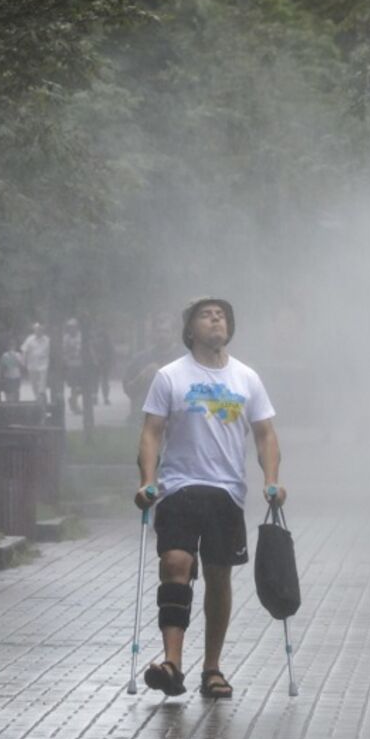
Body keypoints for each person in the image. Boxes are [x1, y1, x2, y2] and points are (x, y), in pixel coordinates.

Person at [134, 297, 285, 700]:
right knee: (175, 562)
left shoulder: (246, 378)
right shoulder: (170, 377)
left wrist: (271, 480)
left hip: (226, 492)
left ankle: (212, 668)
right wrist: (147, 480)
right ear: (190, 329)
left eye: (222, 315)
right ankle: (172, 663)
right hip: (179, 487)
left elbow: (265, 434)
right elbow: (151, 432)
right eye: (207, 314)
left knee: (219, 576)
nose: (216, 319)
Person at [20, 322, 50, 402]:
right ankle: (38, 398)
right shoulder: (29, 339)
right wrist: (23, 361)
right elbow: (24, 350)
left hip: (43, 364)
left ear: (42, 330)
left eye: (40, 329)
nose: (38, 331)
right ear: (34, 330)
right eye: (36, 329)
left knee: (42, 380)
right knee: (33, 383)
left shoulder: (47, 340)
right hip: (32, 365)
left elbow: (51, 351)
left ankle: (41, 394)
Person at [62, 318, 85, 413]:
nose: (72, 329)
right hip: (71, 364)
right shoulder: (66, 338)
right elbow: (64, 351)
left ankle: (72, 399)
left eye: (74, 327)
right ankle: (75, 406)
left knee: (84, 386)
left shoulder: (81, 336)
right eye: (70, 327)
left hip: (81, 363)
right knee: (74, 386)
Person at [0, 339, 25, 403]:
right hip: (7, 376)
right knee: (8, 392)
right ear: (7, 347)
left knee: (16, 391)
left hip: (16, 376)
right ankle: (8, 404)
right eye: (10, 346)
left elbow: (21, 365)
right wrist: (1, 376)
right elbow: (2, 366)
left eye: (12, 346)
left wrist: (16, 358)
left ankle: (16, 404)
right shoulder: (5, 355)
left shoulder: (18, 355)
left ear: (15, 347)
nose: (11, 347)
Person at [93, 327, 114, 406]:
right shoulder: (107, 341)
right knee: (104, 381)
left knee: (96, 381)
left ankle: (96, 397)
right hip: (103, 362)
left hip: (99, 362)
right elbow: (111, 352)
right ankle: (104, 398)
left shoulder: (95, 340)